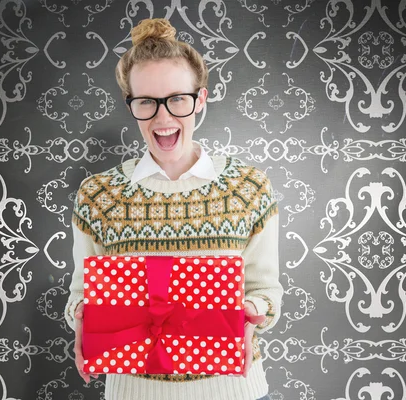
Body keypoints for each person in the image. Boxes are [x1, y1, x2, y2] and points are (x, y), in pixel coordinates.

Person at [64, 18, 283, 400]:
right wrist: (81, 315)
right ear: (130, 104)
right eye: (146, 101)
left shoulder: (249, 188)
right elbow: (81, 293)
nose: (163, 118)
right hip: (132, 389)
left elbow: (266, 290)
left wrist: (251, 311)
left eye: (177, 99)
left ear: (200, 98)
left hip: (232, 388)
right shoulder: (98, 195)